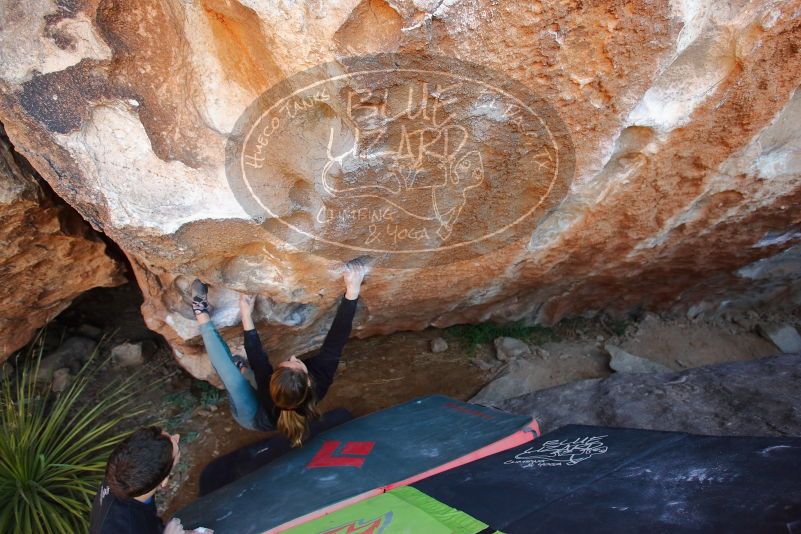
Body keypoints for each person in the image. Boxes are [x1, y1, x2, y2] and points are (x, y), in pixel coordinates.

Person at [190, 259, 366, 446]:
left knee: (233, 379)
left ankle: (200, 310)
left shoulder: (269, 388)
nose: (293, 357)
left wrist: (246, 315)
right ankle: (243, 370)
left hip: (253, 416)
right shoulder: (320, 382)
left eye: (291, 362)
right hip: (271, 402)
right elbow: (336, 340)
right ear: (308, 382)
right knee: (249, 374)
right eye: (295, 363)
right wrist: (352, 292)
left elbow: (259, 360)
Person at [89, 427, 211, 534]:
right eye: (177, 452)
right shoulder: (126, 527)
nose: (177, 437)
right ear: (163, 481)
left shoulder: (123, 476)